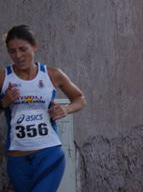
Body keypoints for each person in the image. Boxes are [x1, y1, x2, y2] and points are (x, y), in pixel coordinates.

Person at [1, 25, 86, 192]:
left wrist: (66, 109)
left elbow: (80, 98)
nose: (18, 56)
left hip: (49, 155)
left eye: (23, 49)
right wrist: (3, 102)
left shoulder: (52, 74)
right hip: (17, 161)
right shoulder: (3, 77)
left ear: (35, 46)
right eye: (12, 51)